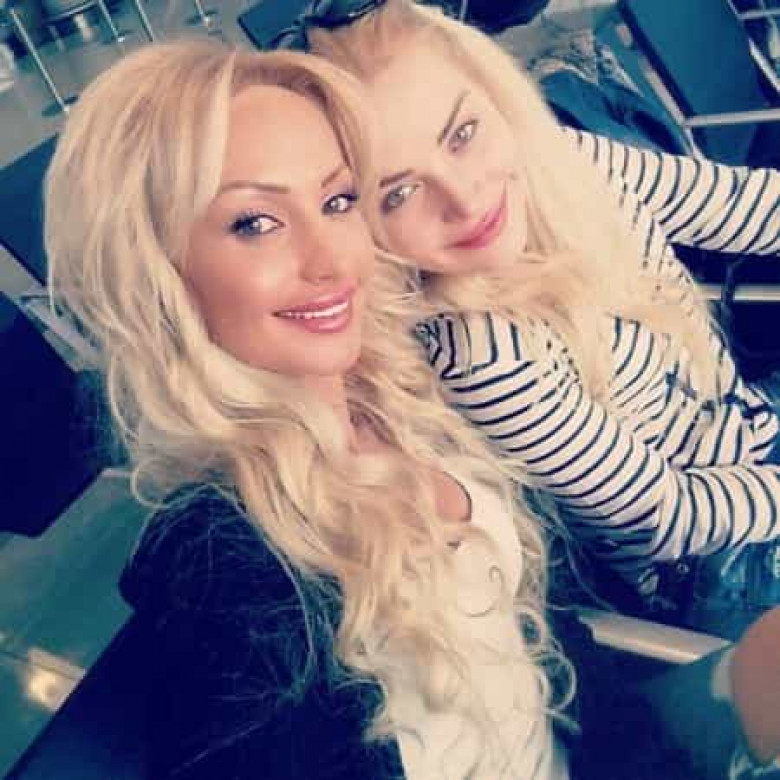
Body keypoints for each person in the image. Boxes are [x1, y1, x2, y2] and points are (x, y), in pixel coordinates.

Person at [44, 36, 780, 780]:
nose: (332, 258)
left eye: (338, 200)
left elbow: (561, 682)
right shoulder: (226, 568)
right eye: (256, 223)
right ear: (155, 272)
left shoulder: (411, 412)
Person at [305, 0, 780, 639]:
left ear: (495, 95)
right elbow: (662, 516)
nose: (465, 198)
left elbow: (738, 207)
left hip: (754, 430)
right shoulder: (481, 354)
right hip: (714, 563)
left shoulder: (561, 162)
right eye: (399, 193)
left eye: (461, 134)